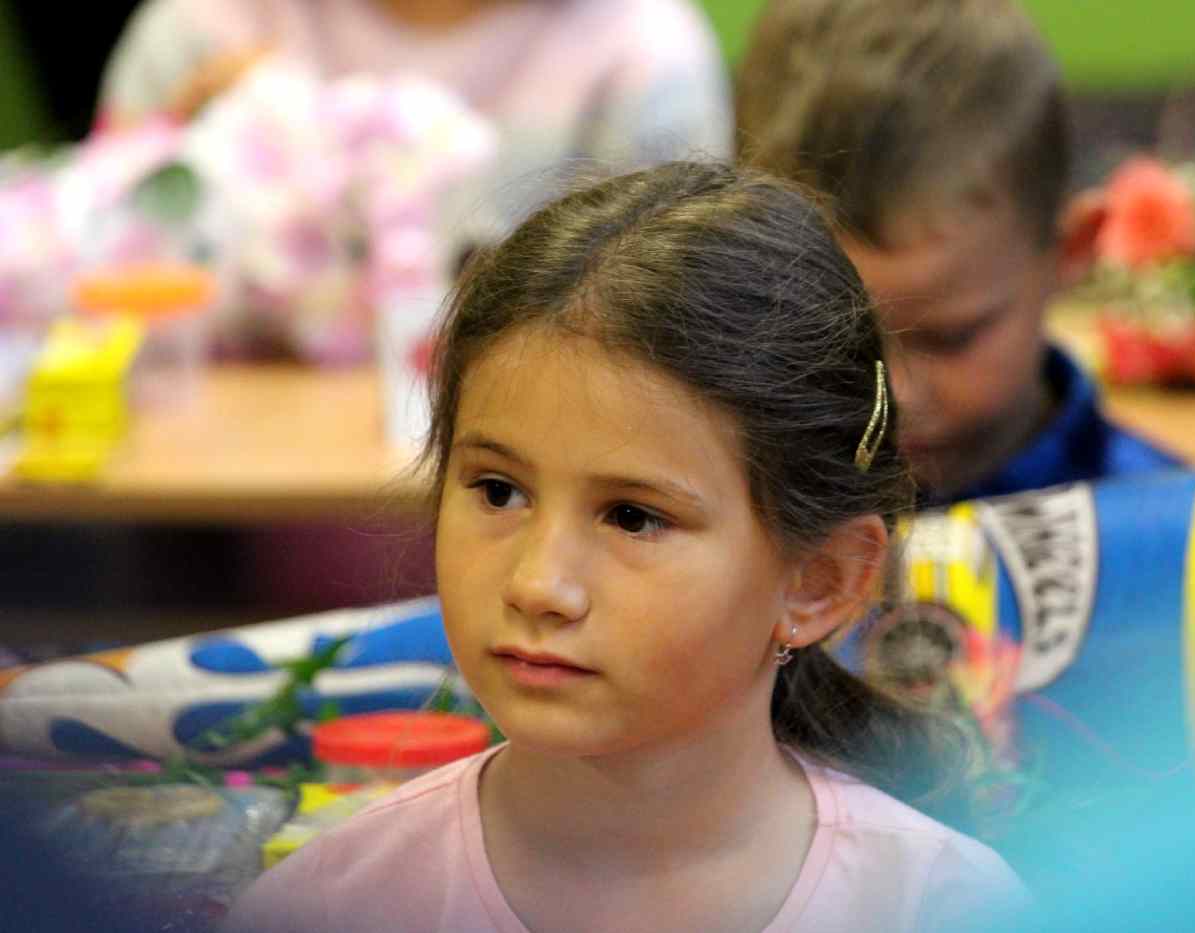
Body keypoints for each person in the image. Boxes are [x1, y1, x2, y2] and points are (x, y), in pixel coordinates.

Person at [224, 162, 1024, 932]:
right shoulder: (327, 907)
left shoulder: (941, 907)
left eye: (633, 517)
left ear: (817, 581)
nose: (538, 584)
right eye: (498, 491)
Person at [735, 0, 1181, 506]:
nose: (895, 397)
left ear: (1071, 251)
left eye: (950, 338)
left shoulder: (1174, 525)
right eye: (830, 342)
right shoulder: (723, 516)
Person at [98, 0, 733, 217]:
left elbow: (663, 331)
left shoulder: (643, 50)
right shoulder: (200, 27)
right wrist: (184, 154)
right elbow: (77, 251)